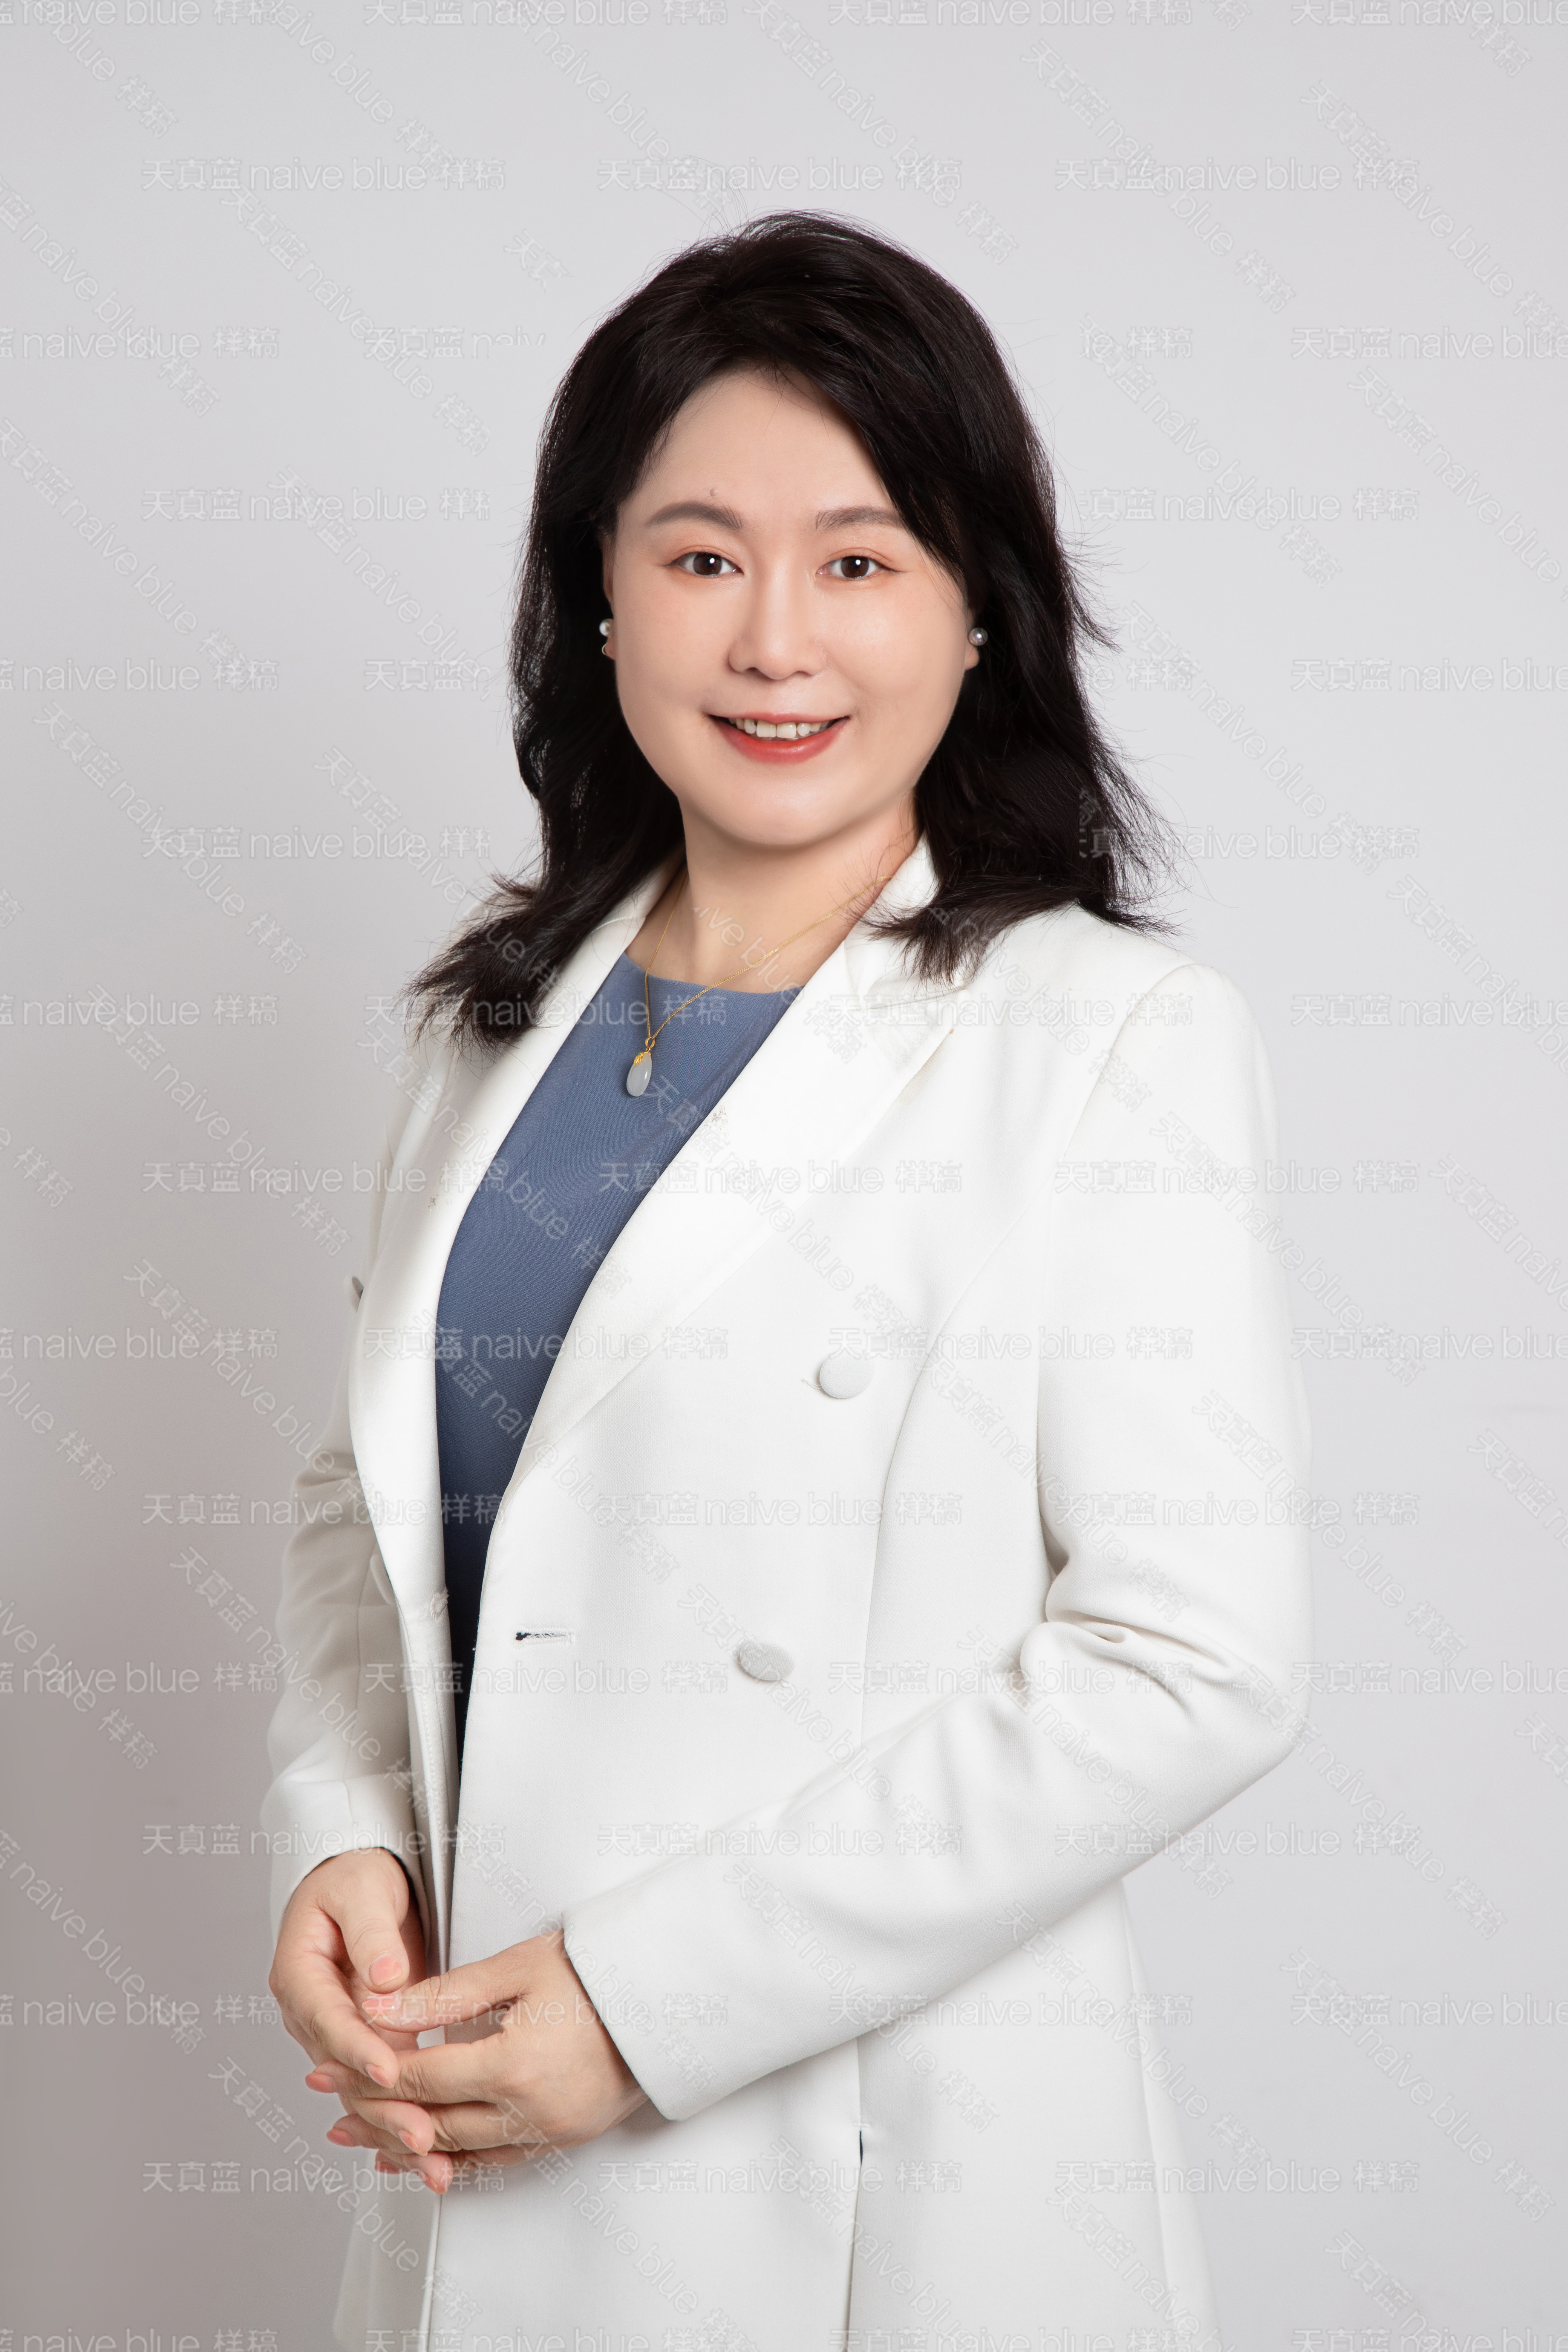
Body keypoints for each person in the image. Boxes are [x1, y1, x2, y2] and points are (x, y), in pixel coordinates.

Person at [262, 211, 1312, 2352]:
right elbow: (362, 1506)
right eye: (700, 555)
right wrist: (339, 1834)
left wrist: (643, 2008)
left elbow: (1190, 1657)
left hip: (881, 2174)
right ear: (598, 596)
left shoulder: (1102, 1037)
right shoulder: (488, 1027)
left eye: (858, 560)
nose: (773, 642)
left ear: (979, 612)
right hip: (469, 2115)